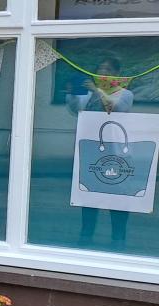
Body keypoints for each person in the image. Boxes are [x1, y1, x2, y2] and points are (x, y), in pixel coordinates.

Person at [66, 57, 133, 249]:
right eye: (100, 69)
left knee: (119, 197)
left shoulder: (125, 93)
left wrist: (97, 90)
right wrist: (72, 94)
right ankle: (85, 236)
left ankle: (118, 239)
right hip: (92, 152)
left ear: (117, 74)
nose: (102, 73)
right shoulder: (89, 94)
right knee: (89, 196)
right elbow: (75, 109)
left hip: (117, 153)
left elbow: (118, 108)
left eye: (108, 69)